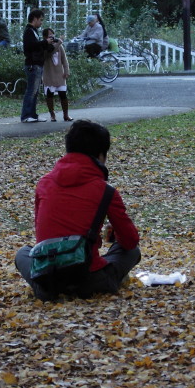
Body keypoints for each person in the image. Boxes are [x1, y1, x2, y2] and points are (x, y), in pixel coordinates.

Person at [15, 120, 141, 301]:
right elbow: (130, 241)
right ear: (100, 155)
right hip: (90, 280)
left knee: (23, 253)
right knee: (132, 251)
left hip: (49, 280)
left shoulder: (44, 184)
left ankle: (43, 289)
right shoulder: (106, 191)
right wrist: (114, 238)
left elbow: (42, 237)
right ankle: (108, 280)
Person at [21, 9, 50, 122]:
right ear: (35, 19)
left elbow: (36, 45)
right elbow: (30, 46)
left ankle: (33, 115)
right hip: (32, 64)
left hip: (37, 64)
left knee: (35, 91)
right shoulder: (28, 31)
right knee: (31, 91)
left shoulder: (34, 31)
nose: (41, 23)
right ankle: (26, 116)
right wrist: (45, 42)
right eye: (41, 20)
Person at [41, 28, 72, 122]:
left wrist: (66, 71)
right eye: (49, 35)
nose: (52, 37)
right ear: (45, 37)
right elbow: (49, 53)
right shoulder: (44, 47)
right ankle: (52, 114)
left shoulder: (60, 47)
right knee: (49, 96)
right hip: (49, 75)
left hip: (60, 75)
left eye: (52, 35)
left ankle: (66, 115)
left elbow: (64, 60)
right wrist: (59, 42)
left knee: (63, 95)